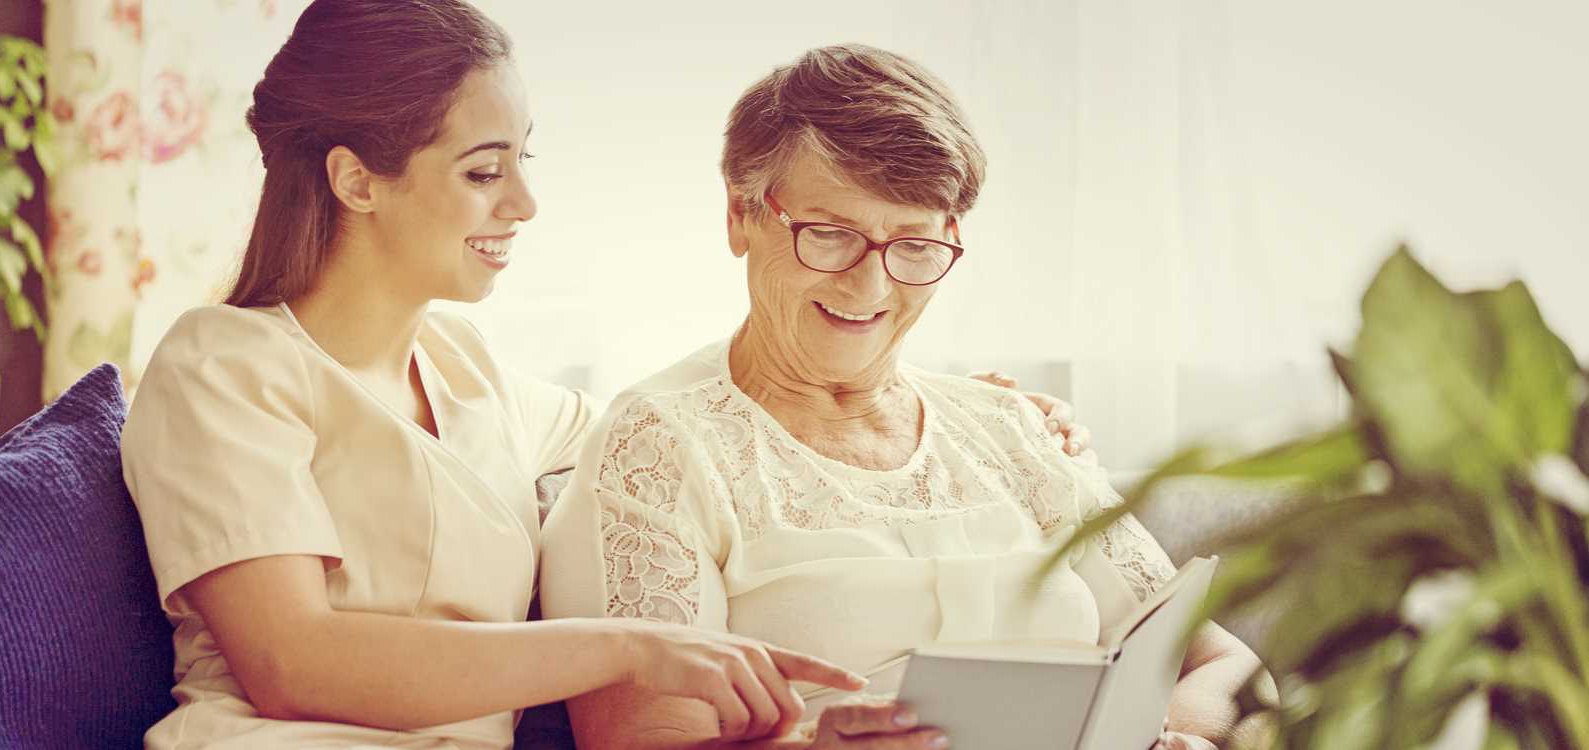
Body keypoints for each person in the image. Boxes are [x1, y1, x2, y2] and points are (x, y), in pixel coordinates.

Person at [120, 3, 1088, 748]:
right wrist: (629, 646)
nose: (527, 202)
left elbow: (697, 426)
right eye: (484, 170)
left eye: (523, 162)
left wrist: (975, 417)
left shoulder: (473, 378)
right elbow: (295, 662)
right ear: (356, 179)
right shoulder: (223, 366)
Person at [540, 44, 1272, 750]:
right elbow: (643, 740)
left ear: (951, 235)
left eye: (913, 245)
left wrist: (1175, 735)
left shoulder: (1010, 428)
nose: (870, 287)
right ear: (741, 214)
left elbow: (1220, 662)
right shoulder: (658, 443)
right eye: (829, 235)